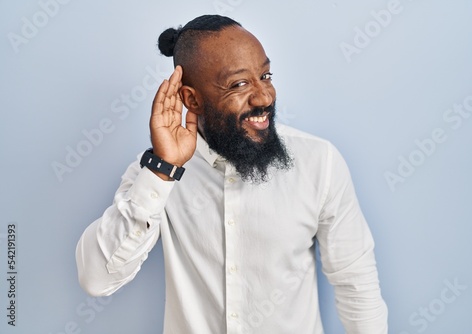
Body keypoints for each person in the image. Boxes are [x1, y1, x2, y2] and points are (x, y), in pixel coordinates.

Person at [76, 14, 388, 334]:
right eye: (239, 84)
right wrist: (163, 172)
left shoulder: (319, 162)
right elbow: (97, 279)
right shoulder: (157, 172)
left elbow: (356, 283)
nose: (264, 97)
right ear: (191, 99)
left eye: (265, 75)